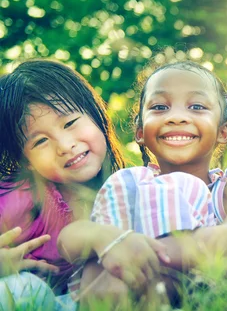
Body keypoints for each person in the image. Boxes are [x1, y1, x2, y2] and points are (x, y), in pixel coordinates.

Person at [70, 60, 227, 306]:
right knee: (98, 264)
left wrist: (139, 254)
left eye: (197, 106)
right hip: (127, 290)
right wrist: (107, 240)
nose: (177, 117)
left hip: (210, 297)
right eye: (160, 107)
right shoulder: (129, 187)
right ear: (140, 131)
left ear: (223, 131)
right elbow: (71, 240)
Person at [0, 60, 167, 311]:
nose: (65, 146)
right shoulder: (22, 197)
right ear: (28, 162)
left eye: (69, 123)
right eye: (41, 141)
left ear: (96, 115)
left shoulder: (136, 185)